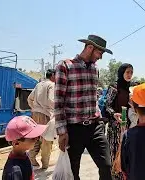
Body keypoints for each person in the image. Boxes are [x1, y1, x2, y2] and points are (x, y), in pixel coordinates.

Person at [55, 35, 113, 180]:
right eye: (100, 53)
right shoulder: (65, 66)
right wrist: (62, 132)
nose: (100, 57)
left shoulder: (95, 69)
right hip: (74, 129)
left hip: (95, 126)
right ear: (90, 48)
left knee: (106, 165)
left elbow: (94, 97)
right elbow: (58, 101)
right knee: (73, 172)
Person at [105, 63, 133, 179]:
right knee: (114, 152)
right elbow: (107, 105)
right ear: (121, 72)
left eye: (131, 72)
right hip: (115, 126)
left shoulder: (131, 88)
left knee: (126, 153)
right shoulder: (114, 87)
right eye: (127, 72)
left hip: (128, 126)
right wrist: (113, 114)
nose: (130, 75)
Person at [2, 116, 47, 180]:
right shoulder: (15, 171)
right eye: (33, 138)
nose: (37, 139)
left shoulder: (25, 155)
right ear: (16, 143)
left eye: (38, 136)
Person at [27, 69, 56, 169]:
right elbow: (51, 100)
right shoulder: (51, 85)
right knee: (46, 140)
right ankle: (45, 163)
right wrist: (55, 111)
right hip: (46, 115)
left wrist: (34, 108)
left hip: (35, 114)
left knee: (35, 137)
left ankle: (31, 158)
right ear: (53, 75)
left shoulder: (38, 84)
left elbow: (29, 99)